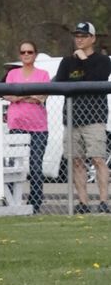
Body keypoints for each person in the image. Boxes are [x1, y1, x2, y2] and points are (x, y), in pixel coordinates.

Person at [55, 21, 111, 214]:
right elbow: (58, 84)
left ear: (93, 39)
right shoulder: (67, 62)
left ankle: (103, 201)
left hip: (94, 119)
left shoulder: (103, 61)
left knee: (98, 159)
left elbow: (97, 80)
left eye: (83, 36)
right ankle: (83, 203)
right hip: (72, 119)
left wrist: (84, 60)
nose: (79, 39)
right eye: (77, 36)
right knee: (76, 161)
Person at [4, 41, 50, 213]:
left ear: (35, 54)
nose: (26, 55)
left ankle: (36, 202)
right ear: (19, 54)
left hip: (38, 127)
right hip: (16, 125)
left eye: (30, 52)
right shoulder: (12, 74)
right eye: (23, 52)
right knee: (12, 164)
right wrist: (30, 95)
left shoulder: (43, 74)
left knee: (36, 165)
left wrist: (21, 94)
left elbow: (42, 97)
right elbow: (9, 95)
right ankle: (9, 202)